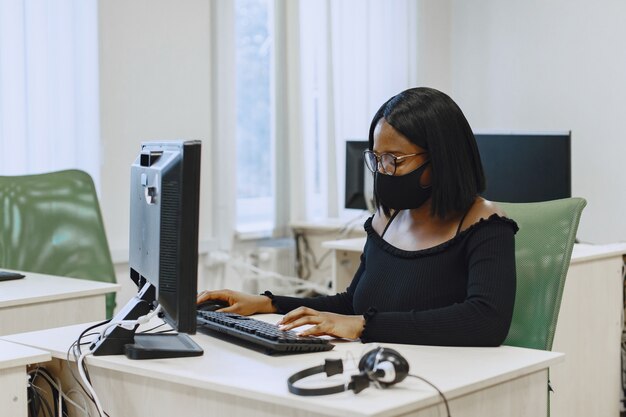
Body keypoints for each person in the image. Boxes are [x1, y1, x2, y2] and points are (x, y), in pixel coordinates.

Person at [197, 87, 517, 347]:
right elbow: (353, 303)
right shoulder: (386, 221)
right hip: (382, 372)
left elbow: (486, 321)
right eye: (376, 158)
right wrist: (266, 303)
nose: (382, 171)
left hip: (448, 381)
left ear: (442, 159)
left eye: (394, 159)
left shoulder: (484, 224)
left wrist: (364, 326)